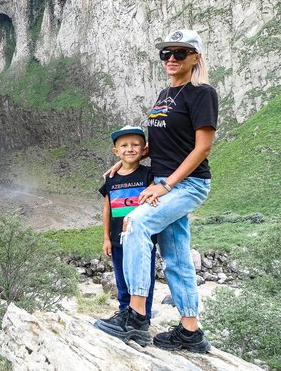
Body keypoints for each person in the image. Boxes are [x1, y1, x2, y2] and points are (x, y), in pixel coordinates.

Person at [94, 29, 218, 354]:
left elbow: (202, 148)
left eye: (180, 53)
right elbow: (167, 141)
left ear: (196, 57)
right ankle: (190, 332)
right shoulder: (165, 94)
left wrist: (166, 184)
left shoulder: (201, 93)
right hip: (164, 180)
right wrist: (126, 162)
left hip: (186, 184)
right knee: (177, 259)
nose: (172, 59)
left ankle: (135, 317)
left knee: (135, 223)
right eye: (166, 53)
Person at [98, 126, 157, 322]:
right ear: (116, 151)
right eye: (124, 145)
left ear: (144, 149)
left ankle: (143, 318)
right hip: (117, 240)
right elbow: (107, 209)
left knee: (142, 279)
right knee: (122, 280)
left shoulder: (149, 174)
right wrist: (106, 238)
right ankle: (124, 314)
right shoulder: (111, 179)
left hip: (142, 240)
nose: (129, 149)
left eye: (135, 145)